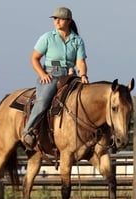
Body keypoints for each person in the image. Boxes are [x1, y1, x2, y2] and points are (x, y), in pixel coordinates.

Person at [22, 7, 89, 150]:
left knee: (84, 100)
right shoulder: (47, 37)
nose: (56, 21)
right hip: (51, 75)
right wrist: (43, 74)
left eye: (60, 18)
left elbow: (80, 62)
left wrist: (83, 75)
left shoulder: (77, 40)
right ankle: (28, 130)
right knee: (43, 100)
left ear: (69, 21)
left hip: (70, 76)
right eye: (55, 18)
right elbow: (34, 58)